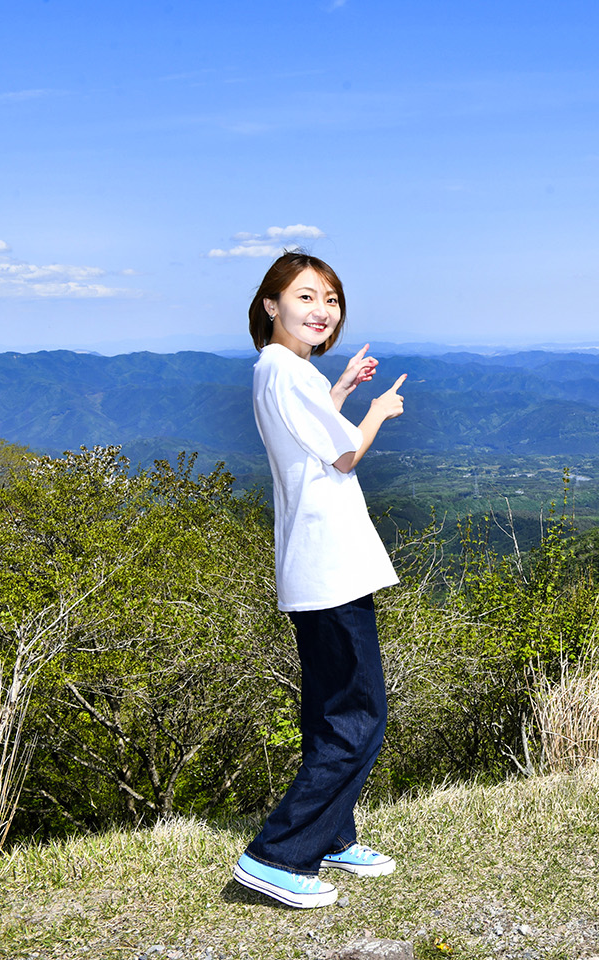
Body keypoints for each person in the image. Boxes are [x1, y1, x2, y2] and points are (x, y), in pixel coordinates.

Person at [231, 250, 407, 909]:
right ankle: (277, 856)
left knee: (329, 709)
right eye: (306, 297)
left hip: (315, 565)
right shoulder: (289, 372)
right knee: (359, 715)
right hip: (331, 568)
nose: (321, 310)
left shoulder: (282, 371)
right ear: (271, 306)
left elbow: (309, 436)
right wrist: (377, 411)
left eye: (330, 300)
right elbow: (341, 453)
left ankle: (330, 834)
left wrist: (339, 393)